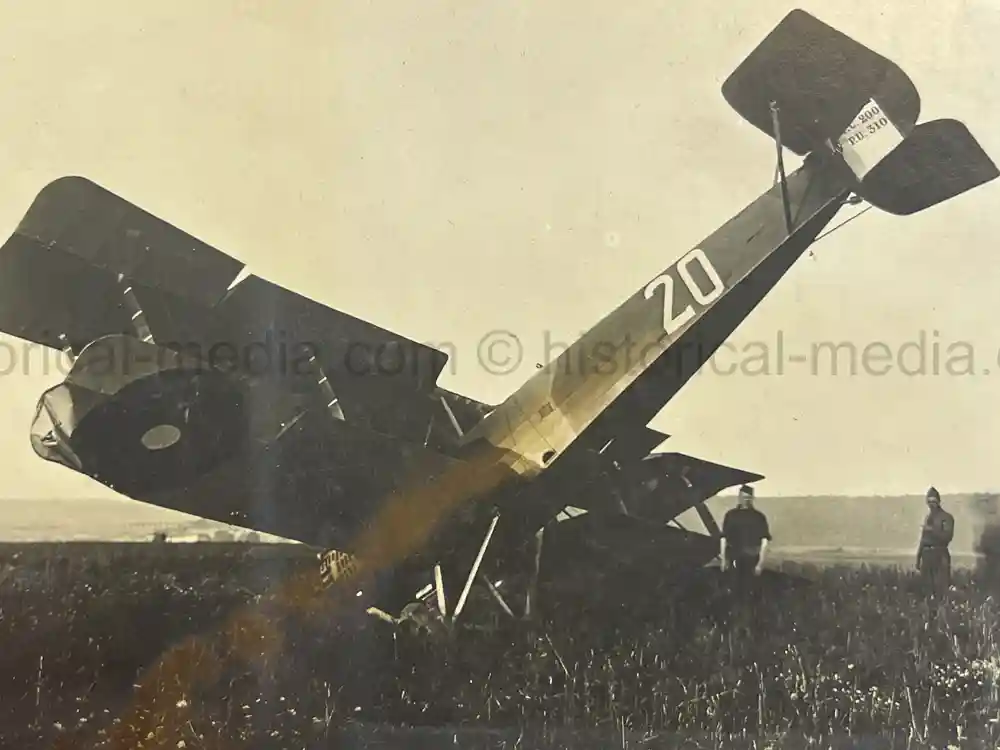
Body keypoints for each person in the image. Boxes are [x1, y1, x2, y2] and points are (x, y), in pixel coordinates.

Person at [720, 484, 772, 586]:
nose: (746, 500)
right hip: (734, 558)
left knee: (751, 588)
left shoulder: (759, 517)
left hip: (752, 559)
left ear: (752, 498)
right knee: (733, 587)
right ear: (739, 497)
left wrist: (760, 564)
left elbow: (764, 541)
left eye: (748, 498)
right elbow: (724, 538)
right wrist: (723, 559)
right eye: (744, 497)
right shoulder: (730, 515)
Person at [916, 486, 954, 598]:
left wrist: (932, 530)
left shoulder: (946, 518)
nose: (931, 504)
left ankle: (942, 613)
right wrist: (918, 558)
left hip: (940, 554)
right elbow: (923, 540)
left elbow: (947, 537)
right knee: (927, 589)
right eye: (929, 501)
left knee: (941, 589)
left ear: (938, 501)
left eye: (933, 501)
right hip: (927, 556)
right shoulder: (928, 518)